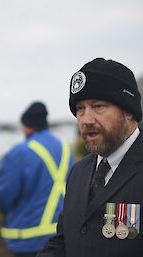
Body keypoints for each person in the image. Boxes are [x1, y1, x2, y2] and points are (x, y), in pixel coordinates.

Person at [36, 58, 143, 257]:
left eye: (98, 106)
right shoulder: (79, 172)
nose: (86, 120)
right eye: (80, 109)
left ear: (129, 111)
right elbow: (63, 240)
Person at [0, 101, 74, 257]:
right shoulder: (66, 149)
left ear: (27, 125)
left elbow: (2, 197)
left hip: (27, 240)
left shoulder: (20, 152)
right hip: (61, 237)